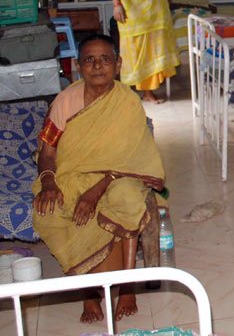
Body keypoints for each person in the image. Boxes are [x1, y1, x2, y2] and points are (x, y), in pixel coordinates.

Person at [33, 34, 166, 323]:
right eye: (89, 60)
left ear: (117, 65)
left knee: (128, 199)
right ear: (78, 67)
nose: (97, 66)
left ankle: (128, 287)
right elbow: (48, 150)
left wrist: (94, 192)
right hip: (73, 174)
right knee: (48, 212)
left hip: (117, 174)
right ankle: (88, 293)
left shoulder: (128, 102)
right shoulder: (65, 101)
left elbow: (132, 155)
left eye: (105, 59)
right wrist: (48, 183)